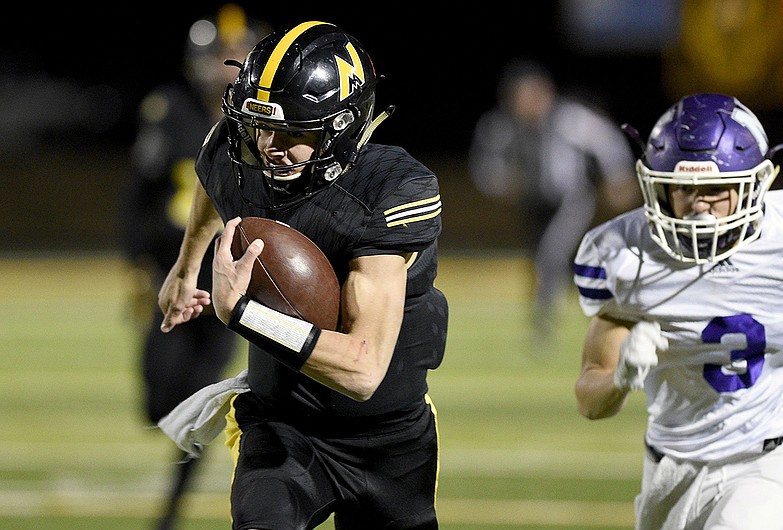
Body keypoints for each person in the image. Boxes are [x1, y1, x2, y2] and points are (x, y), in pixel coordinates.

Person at [156, 21, 448, 529]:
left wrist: (245, 314)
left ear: (343, 125)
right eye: (262, 126)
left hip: (389, 439)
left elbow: (362, 371)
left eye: (294, 132)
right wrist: (185, 268)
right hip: (281, 425)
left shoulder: (390, 189)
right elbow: (215, 174)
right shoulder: (239, 149)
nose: (270, 145)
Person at [573, 93, 783, 530]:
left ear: (758, 182)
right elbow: (589, 401)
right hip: (669, 467)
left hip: (770, 459)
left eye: (715, 189)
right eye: (682, 189)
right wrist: (620, 377)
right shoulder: (622, 254)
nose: (698, 204)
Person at [119, 5, 264, 529]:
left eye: (236, 54)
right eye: (217, 55)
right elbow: (138, 196)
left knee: (203, 404)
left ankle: (169, 515)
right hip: (174, 276)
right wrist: (137, 266)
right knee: (159, 402)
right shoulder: (171, 112)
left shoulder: (262, 121)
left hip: (227, 280)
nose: (225, 64)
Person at [468, 58, 638, 342]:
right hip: (532, 203)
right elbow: (485, 166)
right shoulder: (501, 125)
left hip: (571, 199)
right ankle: (558, 315)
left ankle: (545, 326)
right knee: (539, 261)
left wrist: (618, 176)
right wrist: (502, 183)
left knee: (551, 255)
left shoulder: (568, 117)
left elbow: (606, 140)